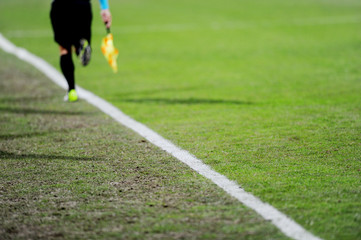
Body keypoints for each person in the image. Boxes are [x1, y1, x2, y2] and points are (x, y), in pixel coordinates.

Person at [50, 0, 112, 102]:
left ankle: (71, 90)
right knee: (79, 40)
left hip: (61, 6)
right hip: (82, 6)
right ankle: (80, 47)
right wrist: (105, 8)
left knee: (64, 49)